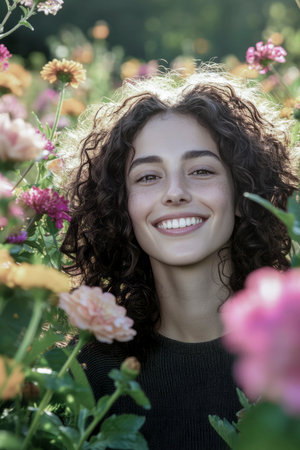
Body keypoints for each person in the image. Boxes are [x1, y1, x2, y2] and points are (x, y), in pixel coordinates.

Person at [60, 66, 299, 449]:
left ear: (242, 194)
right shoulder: (83, 372)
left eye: (201, 170)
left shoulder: (292, 354)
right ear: (122, 207)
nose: (175, 193)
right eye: (148, 177)